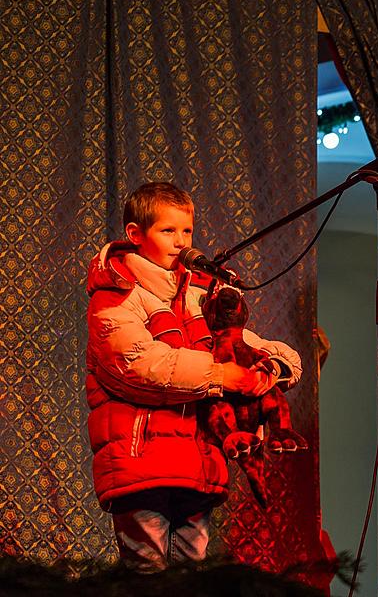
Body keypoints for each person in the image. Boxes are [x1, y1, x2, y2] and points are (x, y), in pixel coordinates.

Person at [85, 182, 302, 570]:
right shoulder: (115, 293)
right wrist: (223, 376)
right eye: (167, 231)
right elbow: (140, 364)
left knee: (192, 579)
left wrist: (270, 370)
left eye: (186, 231)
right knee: (147, 575)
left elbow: (251, 345)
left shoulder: (199, 295)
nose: (180, 241)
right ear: (135, 235)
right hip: (142, 464)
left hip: (199, 464)